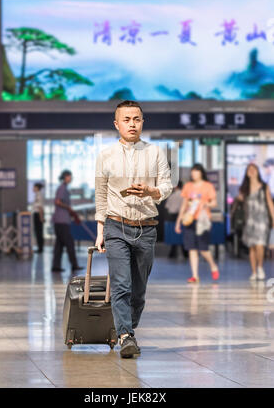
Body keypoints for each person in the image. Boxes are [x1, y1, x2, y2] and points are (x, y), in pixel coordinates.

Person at [94, 100, 173, 358]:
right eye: (126, 119)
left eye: (136, 119)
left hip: (147, 228)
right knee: (121, 285)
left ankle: (129, 328)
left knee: (138, 291)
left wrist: (151, 191)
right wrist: (100, 231)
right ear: (117, 124)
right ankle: (126, 336)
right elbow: (101, 195)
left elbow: (167, 185)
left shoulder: (156, 152)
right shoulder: (105, 155)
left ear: (142, 122)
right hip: (116, 225)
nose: (132, 124)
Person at [175, 164, 219, 283]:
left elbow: (214, 203)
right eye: (192, 172)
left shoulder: (208, 186)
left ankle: (213, 265)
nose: (193, 174)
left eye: (196, 171)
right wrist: (178, 222)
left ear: (201, 173)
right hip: (189, 219)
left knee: (203, 249)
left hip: (202, 221)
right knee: (191, 248)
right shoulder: (188, 186)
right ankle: (195, 275)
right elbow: (184, 205)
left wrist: (206, 204)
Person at [237, 163, 274, 281]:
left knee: (260, 244)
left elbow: (270, 203)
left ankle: (260, 267)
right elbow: (241, 202)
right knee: (251, 247)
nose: (252, 171)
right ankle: (253, 272)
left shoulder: (264, 186)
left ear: (258, 171)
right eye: (249, 169)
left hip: (262, 219)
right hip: (249, 220)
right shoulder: (244, 188)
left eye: (254, 169)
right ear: (246, 172)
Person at [52, 170, 83, 273]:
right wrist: (69, 208)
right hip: (62, 222)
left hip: (60, 221)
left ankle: (56, 266)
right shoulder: (62, 188)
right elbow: (58, 202)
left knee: (59, 245)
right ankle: (74, 265)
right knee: (69, 243)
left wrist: (70, 212)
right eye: (70, 176)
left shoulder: (64, 188)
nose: (71, 178)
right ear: (65, 176)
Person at [165, 181, 187, 259]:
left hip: (172, 217)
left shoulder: (172, 196)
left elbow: (167, 207)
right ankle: (185, 254)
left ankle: (172, 253)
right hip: (182, 217)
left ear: (176, 187)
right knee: (183, 235)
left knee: (173, 235)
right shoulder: (185, 196)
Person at [32, 182, 45, 254]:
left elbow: (40, 207)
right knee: (38, 232)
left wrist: (41, 217)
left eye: (34, 187)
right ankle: (39, 247)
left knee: (39, 232)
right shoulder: (37, 194)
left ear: (37, 188)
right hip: (37, 214)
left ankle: (40, 248)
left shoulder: (39, 195)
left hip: (38, 215)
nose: (33, 188)